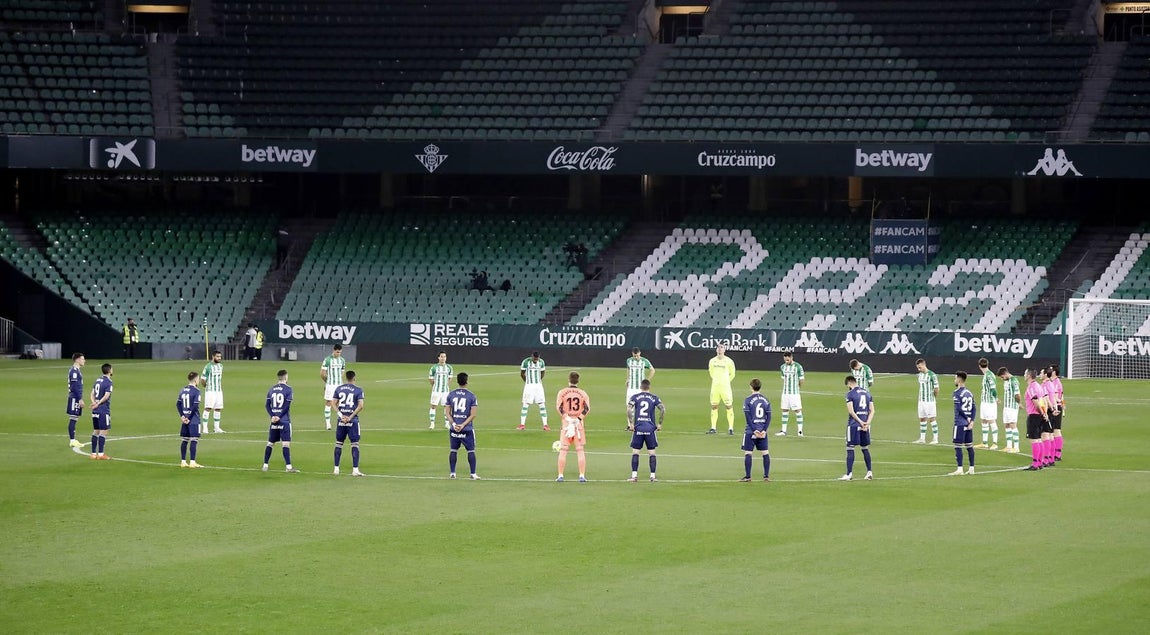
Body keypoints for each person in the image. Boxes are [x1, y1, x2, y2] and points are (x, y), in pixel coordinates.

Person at [555, 371, 591, 482]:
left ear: (568, 380)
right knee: (580, 450)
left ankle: (560, 475)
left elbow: (559, 407)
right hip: (578, 425)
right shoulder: (582, 393)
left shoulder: (562, 392)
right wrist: (578, 419)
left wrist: (567, 418)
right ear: (578, 381)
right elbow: (586, 409)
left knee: (563, 450)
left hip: (566, 425)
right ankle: (582, 476)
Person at [626, 379, 664, 482]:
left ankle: (634, 476)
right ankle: (652, 476)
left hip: (638, 427)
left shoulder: (635, 397)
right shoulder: (654, 397)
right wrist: (659, 424)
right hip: (650, 428)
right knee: (652, 453)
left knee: (635, 452)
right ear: (649, 387)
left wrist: (631, 424)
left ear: (640, 387)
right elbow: (662, 409)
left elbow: (629, 408)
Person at [446, 372, 480, 480]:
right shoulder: (471, 396)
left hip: (454, 429)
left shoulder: (451, 394)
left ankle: (452, 473)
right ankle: (473, 474)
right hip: (467, 429)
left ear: (457, 381)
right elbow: (473, 414)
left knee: (453, 450)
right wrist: (463, 425)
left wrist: (455, 424)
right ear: (467, 382)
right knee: (471, 450)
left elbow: (447, 412)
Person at [263, 369, 299, 473]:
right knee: (285, 444)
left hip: (273, 421)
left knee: (270, 443)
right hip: (284, 420)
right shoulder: (288, 389)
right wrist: (279, 416)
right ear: (286, 377)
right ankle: (288, 467)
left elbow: (267, 405)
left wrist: (272, 416)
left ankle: (265, 465)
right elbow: (287, 406)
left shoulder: (272, 389)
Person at [840, 375, 875, 481]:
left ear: (850, 383)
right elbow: (872, 410)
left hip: (854, 425)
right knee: (865, 448)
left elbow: (851, 411)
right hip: (866, 425)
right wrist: (867, 423)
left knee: (850, 447)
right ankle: (869, 472)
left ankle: (849, 474)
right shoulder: (867, 393)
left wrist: (860, 422)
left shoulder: (850, 394)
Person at [332, 370, 365, 477]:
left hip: (341, 421)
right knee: (355, 444)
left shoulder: (339, 388)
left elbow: (333, 403)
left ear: (346, 378)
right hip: (353, 421)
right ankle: (355, 470)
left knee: (339, 443)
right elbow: (360, 406)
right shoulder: (358, 390)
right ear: (354, 378)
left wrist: (341, 416)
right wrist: (350, 417)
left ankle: (336, 469)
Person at [739, 378, 772, 482]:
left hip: (750, 431)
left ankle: (748, 477)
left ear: (751, 387)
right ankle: (766, 476)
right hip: (762, 431)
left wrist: (754, 430)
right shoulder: (766, 400)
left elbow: (748, 417)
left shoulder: (747, 400)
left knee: (748, 453)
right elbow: (769, 416)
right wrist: (764, 430)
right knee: (765, 453)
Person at [1023, 369, 1052, 470]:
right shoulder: (1039, 386)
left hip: (1034, 415)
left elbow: (1035, 402)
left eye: (1025, 373)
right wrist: (1044, 413)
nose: (1024, 375)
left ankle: (1035, 464)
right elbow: (1043, 400)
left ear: (1029, 375)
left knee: (1034, 440)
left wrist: (1041, 412)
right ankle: (1039, 462)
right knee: (1039, 439)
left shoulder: (1032, 387)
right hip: (1039, 415)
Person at [950, 371, 977, 476]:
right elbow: (974, 408)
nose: (954, 380)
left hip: (960, 423)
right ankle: (972, 468)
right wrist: (972, 420)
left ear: (959, 379)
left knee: (958, 446)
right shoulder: (969, 393)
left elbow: (959, 409)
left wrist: (967, 418)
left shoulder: (956, 393)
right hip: (968, 424)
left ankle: (960, 469)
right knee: (969, 446)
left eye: (955, 378)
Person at [707, 344, 737, 435]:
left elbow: (732, 374)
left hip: (725, 388)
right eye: (718, 348)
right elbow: (711, 372)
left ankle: (731, 428)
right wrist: (717, 381)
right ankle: (713, 427)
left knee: (728, 406)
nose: (719, 349)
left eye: (721, 348)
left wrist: (726, 381)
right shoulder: (712, 361)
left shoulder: (729, 361)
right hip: (715, 387)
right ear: (716, 350)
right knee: (714, 406)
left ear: (724, 350)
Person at [518, 350, 549, 431]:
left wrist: (538, 381)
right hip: (529, 386)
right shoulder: (526, 362)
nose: (536, 360)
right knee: (525, 404)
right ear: (532, 357)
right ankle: (522, 425)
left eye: (537, 359)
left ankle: (545, 425)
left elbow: (543, 373)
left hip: (538, 386)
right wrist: (527, 382)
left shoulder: (541, 362)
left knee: (542, 404)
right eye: (534, 359)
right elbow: (522, 373)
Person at [177, 371, 203, 468]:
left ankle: (183, 461)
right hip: (193, 419)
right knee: (194, 439)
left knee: (185, 440)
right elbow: (195, 406)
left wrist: (183, 416)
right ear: (196, 380)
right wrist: (189, 418)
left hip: (185, 419)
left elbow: (178, 404)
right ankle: (192, 462)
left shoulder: (182, 390)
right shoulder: (197, 391)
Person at [775, 351, 804, 437]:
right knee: (784, 410)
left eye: (788, 359)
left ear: (791, 358)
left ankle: (800, 431)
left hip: (794, 393)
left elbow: (801, 380)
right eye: (785, 359)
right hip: (785, 393)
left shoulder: (798, 367)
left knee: (797, 410)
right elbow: (783, 379)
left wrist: (797, 387)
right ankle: (783, 430)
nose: (786, 361)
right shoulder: (782, 367)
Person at [624, 347, 654, 428]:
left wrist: (647, 380)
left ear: (640, 353)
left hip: (640, 388)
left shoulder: (644, 361)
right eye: (634, 356)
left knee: (640, 406)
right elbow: (628, 369)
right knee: (629, 406)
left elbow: (652, 370)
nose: (636, 357)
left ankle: (640, 424)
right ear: (632, 354)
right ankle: (630, 425)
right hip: (631, 387)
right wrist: (627, 378)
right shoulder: (629, 360)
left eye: (637, 355)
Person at [89, 363, 114, 460]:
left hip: (95, 410)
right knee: (104, 431)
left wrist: (94, 403)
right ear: (109, 371)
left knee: (96, 431)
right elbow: (107, 395)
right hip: (103, 409)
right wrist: (98, 403)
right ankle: (100, 454)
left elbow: (92, 393)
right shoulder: (108, 382)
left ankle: (92, 453)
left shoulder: (98, 380)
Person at [913, 358, 940, 444]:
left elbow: (936, 389)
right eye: (918, 368)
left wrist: (933, 398)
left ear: (924, 365)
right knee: (922, 419)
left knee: (932, 419)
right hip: (921, 401)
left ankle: (935, 439)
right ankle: (922, 438)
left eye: (920, 367)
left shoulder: (932, 375)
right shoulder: (920, 375)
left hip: (929, 401)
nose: (919, 369)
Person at [320, 343, 346, 431]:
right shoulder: (327, 360)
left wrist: (339, 379)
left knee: (340, 403)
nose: (338, 354)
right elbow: (322, 374)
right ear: (334, 350)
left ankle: (342, 419)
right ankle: (328, 423)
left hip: (340, 385)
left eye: (340, 352)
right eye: (337, 352)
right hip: (330, 385)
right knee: (329, 402)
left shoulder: (342, 360)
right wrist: (327, 382)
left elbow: (342, 372)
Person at [996, 367, 1022, 453]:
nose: (1002, 379)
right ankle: (1009, 446)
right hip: (1006, 407)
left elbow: (1017, 394)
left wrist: (1019, 403)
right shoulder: (1007, 381)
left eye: (1002, 377)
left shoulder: (1014, 381)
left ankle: (1016, 447)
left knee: (1013, 425)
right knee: (1006, 425)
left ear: (1005, 374)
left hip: (1012, 407)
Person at [974, 358, 998, 450]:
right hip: (984, 402)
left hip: (989, 402)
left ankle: (995, 443)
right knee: (983, 420)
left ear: (979, 366)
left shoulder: (989, 375)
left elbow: (993, 388)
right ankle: (984, 442)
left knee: (991, 420)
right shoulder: (987, 375)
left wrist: (995, 398)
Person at [200, 349, 226, 434]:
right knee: (208, 408)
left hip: (219, 391)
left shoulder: (221, 366)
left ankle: (216, 428)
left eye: (220, 357)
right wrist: (205, 386)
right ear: (213, 357)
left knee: (218, 408)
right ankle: (205, 428)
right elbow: (203, 379)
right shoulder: (208, 366)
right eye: (217, 356)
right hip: (210, 391)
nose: (219, 358)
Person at [427, 351, 453, 430]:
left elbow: (450, 378)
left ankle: (447, 424)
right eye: (441, 357)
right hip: (436, 390)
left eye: (444, 357)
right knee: (433, 406)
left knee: (446, 407)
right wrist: (434, 386)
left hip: (445, 391)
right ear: (438, 358)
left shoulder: (449, 367)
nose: (443, 358)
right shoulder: (434, 367)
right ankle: (432, 423)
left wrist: (446, 386)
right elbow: (431, 379)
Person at [66, 352, 86, 448]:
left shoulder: (77, 370)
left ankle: (73, 439)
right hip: (74, 397)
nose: (84, 361)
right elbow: (74, 386)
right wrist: (80, 399)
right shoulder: (74, 371)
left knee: (75, 418)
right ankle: (72, 440)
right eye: (82, 359)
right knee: (73, 418)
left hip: (76, 397)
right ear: (77, 360)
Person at [1046, 365, 1065, 461]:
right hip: (1055, 407)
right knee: (1053, 431)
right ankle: (1055, 453)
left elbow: (1057, 397)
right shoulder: (1053, 382)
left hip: (1056, 407)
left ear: (1054, 372)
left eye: (1051, 370)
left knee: (1056, 430)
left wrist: (1057, 405)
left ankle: (1057, 453)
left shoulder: (1056, 383)